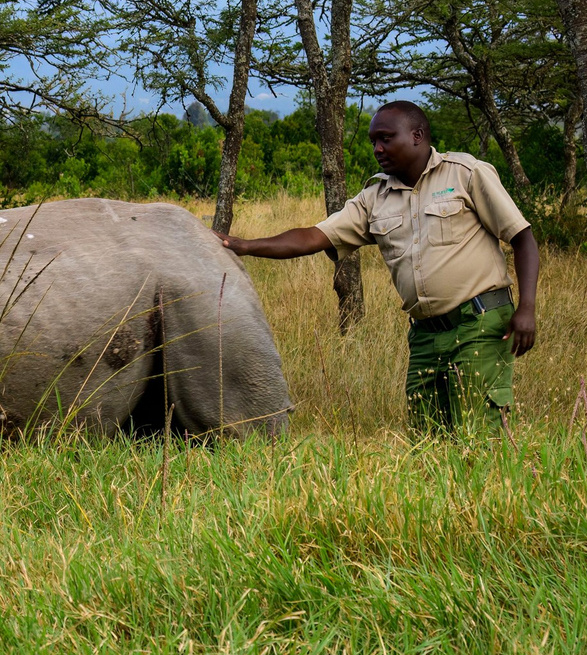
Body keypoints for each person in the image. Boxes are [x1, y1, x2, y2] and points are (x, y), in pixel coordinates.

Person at [222, 101, 540, 432]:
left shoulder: (466, 175)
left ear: (417, 136)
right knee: (427, 439)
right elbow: (313, 237)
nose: (377, 149)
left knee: (479, 433)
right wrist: (245, 245)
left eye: (386, 138)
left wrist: (527, 307)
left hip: (479, 325)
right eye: (374, 140)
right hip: (425, 337)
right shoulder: (375, 197)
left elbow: (522, 238)